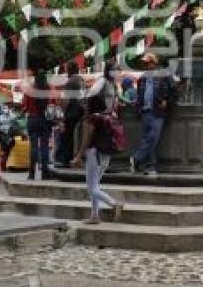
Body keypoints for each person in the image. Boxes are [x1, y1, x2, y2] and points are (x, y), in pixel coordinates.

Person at [71, 76, 124, 225]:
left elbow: (87, 139)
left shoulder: (91, 118)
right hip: (105, 154)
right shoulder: (107, 116)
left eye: (86, 102)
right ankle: (94, 215)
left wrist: (78, 156)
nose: (84, 105)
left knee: (92, 188)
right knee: (96, 185)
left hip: (94, 154)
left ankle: (114, 204)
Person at [130, 54, 177, 176]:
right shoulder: (142, 78)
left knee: (152, 137)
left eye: (148, 63)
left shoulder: (165, 75)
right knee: (149, 139)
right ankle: (149, 167)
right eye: (145, 63)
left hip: (158, 112)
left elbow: (175, 92)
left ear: (154, 63)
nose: (146, 65)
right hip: (145, 112)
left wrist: (167, 101)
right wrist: (138, 108)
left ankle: (137, 158)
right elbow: (139, 95)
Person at [23, 73, 53, 180]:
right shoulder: (49, 89)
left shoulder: (29, 90)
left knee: (33, 147)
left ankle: (31, 174)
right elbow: (53, 104)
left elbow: (24, 106)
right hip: (45, 120)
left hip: (32, 119)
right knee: (45, 147)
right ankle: (45, 173)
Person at [58, 62, 84, 167]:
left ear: (70, 70)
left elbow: (66, 100)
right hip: (81, 111)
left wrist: (63, 113)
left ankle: (65, 160)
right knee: (78, 136)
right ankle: (77, 158)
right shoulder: (81, 80)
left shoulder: (70, 82)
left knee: (66, 137)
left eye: (66, 69)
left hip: (71, 112)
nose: (65, 71)